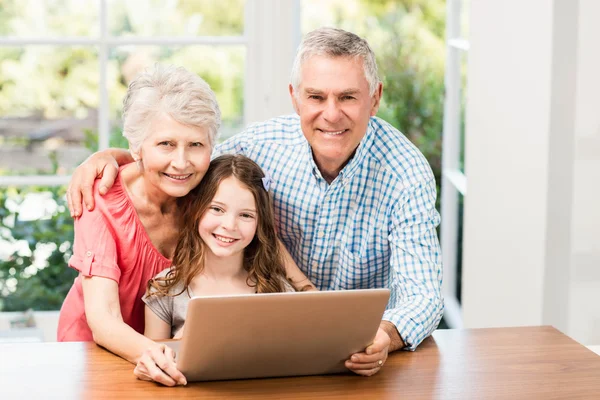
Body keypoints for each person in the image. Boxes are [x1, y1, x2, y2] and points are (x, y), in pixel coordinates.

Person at [67, 27, 443, 377]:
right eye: (316, 96)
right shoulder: (258, 147)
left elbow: (423, 295)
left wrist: (385, 335)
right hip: (118, 354)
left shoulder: (406, 173)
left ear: (374, 98)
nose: (331, 114)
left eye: (348, 97)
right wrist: (109, 157)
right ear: (295, 98)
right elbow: (177, 156)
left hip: (344, 356)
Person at [58, 64, 313, 386]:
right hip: (97, 351)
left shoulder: (207, 188)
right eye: (165, 144)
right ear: (137, 146)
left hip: (176, 355)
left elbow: (266, 243)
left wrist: (310, 302)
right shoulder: (102, 199)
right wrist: (152, 353)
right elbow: (103, 319)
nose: (182, 163)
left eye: (196, 145)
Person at [138, 154, 296, 348]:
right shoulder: (165, 289)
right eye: (217, 209)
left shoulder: (278, 290)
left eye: (246, 215)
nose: (229, 225)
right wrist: (179, 344)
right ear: (196, 209)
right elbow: (152, 363)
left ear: (259, 223)